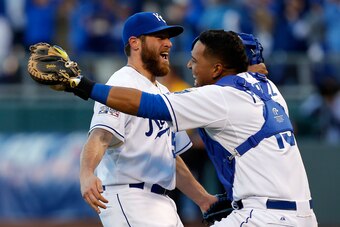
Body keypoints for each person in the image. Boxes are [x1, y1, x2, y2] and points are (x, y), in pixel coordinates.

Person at [64, 29, 317, 226]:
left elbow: (148, 105)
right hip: (303, 215)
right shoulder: (269, 88)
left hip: (264, 216)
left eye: (195, 60)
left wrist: (81, 85)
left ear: (218, 68)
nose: (188, 66)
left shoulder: (219, 97)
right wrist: (203, 198)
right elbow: (168, 154)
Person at [78, 12, 218, 227]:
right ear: (135, 43)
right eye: (159, 37)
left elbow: (170, 158)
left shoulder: (163, 93)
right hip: (130, 197)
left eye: (168, 38)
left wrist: (203, 198)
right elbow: (101, 136)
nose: (169, 44)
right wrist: (87, 173)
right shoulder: (121, 82)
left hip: (162, 202)